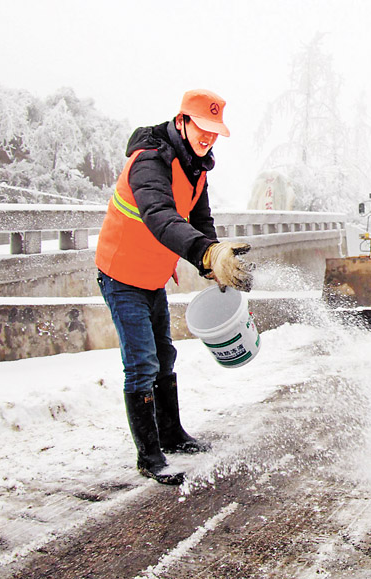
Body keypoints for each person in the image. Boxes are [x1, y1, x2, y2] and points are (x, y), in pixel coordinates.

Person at [95, 89, 253, 486]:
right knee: (142, 363)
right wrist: (203, 253)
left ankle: (172, 435)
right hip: (121, 275)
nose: (209, 138)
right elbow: (160, 215)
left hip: (152, 277)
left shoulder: (196, 167)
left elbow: (201, 219)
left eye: (215, 132)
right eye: (203, 128)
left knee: (164, 356)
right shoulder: (150, 161)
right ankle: (149, 456)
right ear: (182, 121)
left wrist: (215, 259)